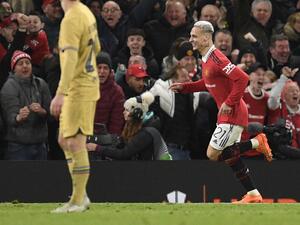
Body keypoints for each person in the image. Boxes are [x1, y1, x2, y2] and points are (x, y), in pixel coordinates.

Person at [170, 21, 273, 203]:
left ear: (205, 37)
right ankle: (253, 194)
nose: (190, 40)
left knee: (212, 154)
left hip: (232, 113)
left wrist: (229, 101)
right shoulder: (206, 59)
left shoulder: (217, 58)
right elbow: (207, 83)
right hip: (227, 113)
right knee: (230, 157)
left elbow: (242, 78)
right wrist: (185, 88)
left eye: (194, 36)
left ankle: (257, 142)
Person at [50, 0, 100, 213]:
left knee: (75, 142)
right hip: (82, 83)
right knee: (64, 139)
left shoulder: (71, 18)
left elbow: (70, 58)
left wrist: (60, 93)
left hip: (79, 87)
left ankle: (78, 200)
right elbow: (97, 47)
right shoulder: (85, 12)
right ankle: (82, 195)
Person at [88, 91, 172, 160]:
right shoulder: (131, 128)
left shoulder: (146, 133)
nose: (124, 112)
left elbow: (124, 154)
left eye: (127, 110)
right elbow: (120, 146)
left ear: (137, 113)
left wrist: (96, 148)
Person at [0, 50, 51, 160]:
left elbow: (51, 113)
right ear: (14, 68)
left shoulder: (41, 84)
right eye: (20, 63)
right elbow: (9, 118)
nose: (25, 66)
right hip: (18, 146)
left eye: (27, 62)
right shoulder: (9, 87)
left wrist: (42, 111)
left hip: (40, 143)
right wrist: (19, 117)